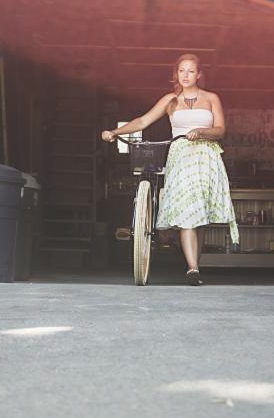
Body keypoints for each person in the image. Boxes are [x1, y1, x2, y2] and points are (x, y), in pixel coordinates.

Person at [102, 53, 239, 286]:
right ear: (176, 74)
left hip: (205, 156)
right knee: (187, 213)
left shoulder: (211, 98)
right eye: (181, 71)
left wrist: (201, 131)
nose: (186, 75)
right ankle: (193, 269)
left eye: (191, 71)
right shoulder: (170, 101)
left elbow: (220, 130)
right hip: (180, 156)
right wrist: (116, 132)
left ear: (199, 75)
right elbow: (143, 121)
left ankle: (195, 264)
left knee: (200, 216)